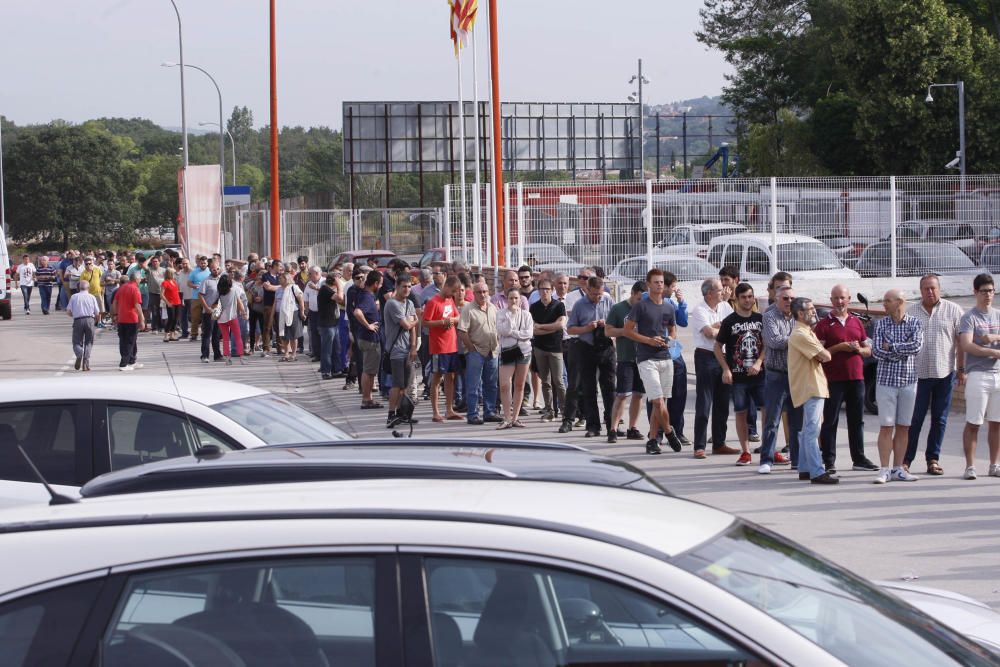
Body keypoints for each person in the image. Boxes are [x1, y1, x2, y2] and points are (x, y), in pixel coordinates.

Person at [905, 274, 965, 475]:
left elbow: (961, 343)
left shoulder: (954, 310)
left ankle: (933, 459)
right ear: (920, 291)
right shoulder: (911, 312)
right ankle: (905, 460)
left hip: (944, 374)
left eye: (933, 288)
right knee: (914, 419)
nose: (930, 292)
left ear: (939, 289)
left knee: (939, 419)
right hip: (917, 375)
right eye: (925, 289)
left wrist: (962, 369)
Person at [814, 284, 878, 474]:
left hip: (856, 378)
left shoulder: (856, 322)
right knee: (830, 421)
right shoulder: (824, 324)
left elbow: (868, 350)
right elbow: (819, 353)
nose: (840, 302)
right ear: (831, 300)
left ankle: (858, 458)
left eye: (843, 298)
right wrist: (840, 347)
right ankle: (828, 460)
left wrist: (858, 350)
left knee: (856, 420)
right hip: (833, 379)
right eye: (836, 298)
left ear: (849, 299)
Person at [625, 269, 685, 455]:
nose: (660, 285)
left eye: (661, 282)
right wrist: (648, 340)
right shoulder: (641, 306)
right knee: (657, 401)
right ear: (649, 284)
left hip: (665, 358)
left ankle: (652, 440)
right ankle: (669, 431)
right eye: (656, 282)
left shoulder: (669, 307)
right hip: (646, 358)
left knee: (662, 402)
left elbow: (673, 329)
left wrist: (669, 340)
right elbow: (628, 331)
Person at [870, 289, 923, 483]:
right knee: (886, 426)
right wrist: (901, 349)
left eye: (887, 301)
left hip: (909, 381)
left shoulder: (915, 323)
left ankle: (898, 468)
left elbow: (916, 347)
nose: (883, 304)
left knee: (903, 427)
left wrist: (891, 346)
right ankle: (884, 469)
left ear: (900, 302)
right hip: (886, 382)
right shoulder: (880, 324)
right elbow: (876, 351)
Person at [788, 297, 839, 484]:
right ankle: (817, 472)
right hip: (810, 386)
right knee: (812, 431)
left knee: (807, 429)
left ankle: (805, 468)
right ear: (800, 314)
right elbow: (825, 356)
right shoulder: (801, 334)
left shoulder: (806, 332)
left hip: (812, 385)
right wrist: (822, 352)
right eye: (810, 309)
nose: (814, 312)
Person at [715, 282, 765, 466]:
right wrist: (726, 369)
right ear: (737, 298)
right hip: (738, 377)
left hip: (760, 376)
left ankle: (768, 447)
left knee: (768, 412)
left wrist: (759, 362)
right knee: (741, 413)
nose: (747, 300)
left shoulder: (760, 319)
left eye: (750, 296)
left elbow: (767, 343)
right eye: (743, 297)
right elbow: (717, 347)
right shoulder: (730, 321)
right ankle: (745, 452)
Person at [958, 273, 1000, 480]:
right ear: (975, 292)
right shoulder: (969, 317)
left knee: (997, 422)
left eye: (991, 291)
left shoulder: (998, 315)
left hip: (998, 375)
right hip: (978, 375)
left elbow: (985, 341)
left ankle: (994, 464)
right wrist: (992, 351)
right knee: (974, 423)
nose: (988, 295)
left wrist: (992, 338)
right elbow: (966, 345)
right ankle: (970, 466)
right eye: (984, 291)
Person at [689, 278, 737, 458]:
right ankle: (699, 446)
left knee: (723, 403)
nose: (723, 291)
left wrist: (719, 327)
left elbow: (733, 328)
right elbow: (709, 334)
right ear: (709, 293)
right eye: (719, 289)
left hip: (724, 357)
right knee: (704, 402)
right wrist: (719, 328)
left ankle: (719, 443)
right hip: (706, 357)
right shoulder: (699, 310)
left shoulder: (725, 307)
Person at [567, 276, 616, 438]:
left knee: (609, 388)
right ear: (587, 290)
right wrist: (587, 328)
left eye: (600, 294)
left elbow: (618, 323)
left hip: (606, 347)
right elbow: (571, 329)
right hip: (587, 347)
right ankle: (593, 425)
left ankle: (612, 425)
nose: (597, 297)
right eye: (594, 294)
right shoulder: (580, 305)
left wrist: (606, 324)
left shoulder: (608, 301)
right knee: (589, 389)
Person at [759, 284, 797, 473]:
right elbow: (774, 342)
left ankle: (797, 460)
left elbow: (810, 334)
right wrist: (799, 340)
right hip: (776, 374)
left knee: (797, 420)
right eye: (785, 299)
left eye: (792, 299)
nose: (789, 302)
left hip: (796, 374)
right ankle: (766, 459)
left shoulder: (798, 315)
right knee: (772, 420)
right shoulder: (769, 316)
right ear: (776, 299)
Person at [607, 281, 647, 444]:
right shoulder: (618, 309)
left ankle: (633, 427)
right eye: (638, 299)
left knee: (639, 394)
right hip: (626, 358)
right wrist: (626, 331)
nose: (641, 303)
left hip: (644, 357)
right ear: (632, 293)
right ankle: (613, 429)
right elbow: (608, 330)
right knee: (622, 394)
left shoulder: (647, 308)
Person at [459, 281, 503, 425]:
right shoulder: (468, 309)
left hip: (492, 351)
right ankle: (472, 414)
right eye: (479, 292)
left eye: (485, 291)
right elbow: (462, 331)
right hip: (476, 352)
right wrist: (471, 348)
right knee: (474, 385)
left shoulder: (492, 308)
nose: (483, 294)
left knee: (491, 384)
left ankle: (489, 412)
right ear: (474, 293)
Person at [423, 276, 464, 422]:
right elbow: (425, 322)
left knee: (451, 377)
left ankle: (449, 409)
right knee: (437, 378)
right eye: (452, 290)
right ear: (446, 286)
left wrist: (452, 320)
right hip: (439, 346)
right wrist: (442, 322)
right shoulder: (433, 302)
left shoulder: (450, 301)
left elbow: (458, 317)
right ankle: (435, 411)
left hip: (451, 345)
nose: (453, 294)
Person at [558, 269, 593, 433]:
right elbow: (572, 321)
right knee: (573, 384)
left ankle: (591, 417)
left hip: (595, 345)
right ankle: (569, 419)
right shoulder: (572, 297)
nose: (582, 280)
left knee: (593, 384)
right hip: (577, 344)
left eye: (586, 277)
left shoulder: (604, 296)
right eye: (580, 277)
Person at [383, 274, 420, 428]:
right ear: (397, 287)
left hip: (407, 350)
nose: (407, 289)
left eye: (409, 286)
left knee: (405, 385)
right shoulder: (392, 304)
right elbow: (406, 324)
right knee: (397, 385)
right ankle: (391, 414)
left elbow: (412, 328)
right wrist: (416, 320)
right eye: (404, 286)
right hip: (396, 351)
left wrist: (413, 347)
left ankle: (402, 413)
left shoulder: (409, 303)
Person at [529, 278, 567, 424]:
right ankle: (549, 410)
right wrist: (549, 327)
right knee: (545, 381)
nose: (544, 292)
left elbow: (560, 325)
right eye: (542, 289)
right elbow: (533, 329)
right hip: (539, 348)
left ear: (552, 290)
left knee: (558, 381)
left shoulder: (559, 306)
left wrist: (542, 327)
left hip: (556, 348)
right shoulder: (534, 307)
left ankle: (564, 411)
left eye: (547, 289)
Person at [497, 287, 534, 429]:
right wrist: (511, 316)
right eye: (511, 298)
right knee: (505, 385)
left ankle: (515, 417)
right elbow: (503, 331)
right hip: (507, 351)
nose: (513, 301)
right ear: (507, 299)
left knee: (519, 385)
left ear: (520, 300)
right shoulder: (501, 313)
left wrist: (514, 333)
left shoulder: (526, 315)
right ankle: (506, 417)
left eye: (516, 298)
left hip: (524, 352)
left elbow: (528, 334)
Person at [353, 270, 384, 409]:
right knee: (368, 370)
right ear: (376, 283)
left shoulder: (367, 295)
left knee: (370, 370)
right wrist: (369, 326)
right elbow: (357, 312)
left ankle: (369, 398)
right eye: (381, 283)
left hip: (367, 338)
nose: (382, 286)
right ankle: (366, 399)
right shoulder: (366, 297)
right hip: (369, 338)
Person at [112, 272, 144, 371]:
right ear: (136, 279)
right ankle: (123, 363)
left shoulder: (121, 288)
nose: (140, 281)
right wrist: (142, 319)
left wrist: (115, 315)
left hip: (122, 318)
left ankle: (132, 360)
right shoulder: (135, 289)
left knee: (127, 340)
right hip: (131, 318)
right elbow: (137, 305)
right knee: (129, 341)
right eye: (140, 279)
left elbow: (114, 302)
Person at [66, 279, 100, 371]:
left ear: (78, 288)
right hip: (90, 320)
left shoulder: (74, 297)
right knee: (89, 342)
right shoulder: (92, 297)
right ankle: (85, 363)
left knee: (76, 342)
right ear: (88, 288)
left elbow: (68, 311)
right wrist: (98, 321)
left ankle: (79, 353)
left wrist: (75, 315)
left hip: (78, 320)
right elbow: (97, 313)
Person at [216, 274, 247, 365]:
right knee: (238, 337)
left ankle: (227, 358)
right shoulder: (233, 291)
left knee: (225, 338)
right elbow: (240, 302)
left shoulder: (219, 293)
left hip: (221, 319)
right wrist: (244, 313)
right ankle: (241, 357)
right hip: (232, 317)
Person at [318, 274, 344, 380]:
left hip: (334, 323)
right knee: (327, 349)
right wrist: (339, 285)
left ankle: (336, 370)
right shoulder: (325, 289)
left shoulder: (329, 290)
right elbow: (340, 298)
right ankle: (326, 371)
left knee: (336, 348)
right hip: (327, 324)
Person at [276, 271, 306, 362]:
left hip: (294, 313)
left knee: (293, 335)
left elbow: (301, 300)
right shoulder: (279, 289)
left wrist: (302, 312)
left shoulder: (294, 287)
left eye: (281, 278)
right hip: (282, 314)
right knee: (284, 335)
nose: (279, 280)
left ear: (286, 279)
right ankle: (286, 353)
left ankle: (293, 354)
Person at [198, 261, 224, 363]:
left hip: (219, 312)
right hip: (209, 312)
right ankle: (204, 355)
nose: (216, 271)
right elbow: (200, 295)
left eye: (217, 269)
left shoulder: (221, 280)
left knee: (217, 335)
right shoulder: (206, 281)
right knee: (207, 334)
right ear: (210, 269)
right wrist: (206, 307)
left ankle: (217, 355)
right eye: (214, 269)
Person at [259, 260, 281, 356]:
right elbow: (268, 288)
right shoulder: (265, 276)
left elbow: (286, 286)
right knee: (267, 327)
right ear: (274, 266)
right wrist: (280, 286)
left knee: (279, 327)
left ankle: (281, 348)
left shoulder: (280, 276)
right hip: (269, 305)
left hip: (279, 305)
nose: (281, 268)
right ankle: (266, 348)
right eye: (280, 266)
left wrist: (274, 286)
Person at [187, 256, 209, 342]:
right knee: (195, 317)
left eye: (204, 263)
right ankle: (194, 334)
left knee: (206, 317)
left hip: (207, 297)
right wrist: (193, 286)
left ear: (207, 263)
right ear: (199, 263)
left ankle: (205, 333)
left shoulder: (210, 271)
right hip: (196, 297)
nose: (203, 264)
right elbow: (188, 283)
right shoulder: (194, 272)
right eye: (201, 263)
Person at [127, 253, 150, 332]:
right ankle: (137, 325)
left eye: (143, 263)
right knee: (137, 309)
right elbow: (128, 279)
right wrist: (141, 280)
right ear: (138, 262)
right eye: (140, 263)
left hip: (145, 290)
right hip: (136, 291)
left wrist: (146, 271)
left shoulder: (146, 269)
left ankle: (145, 325)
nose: (142, 265)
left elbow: (151, 277)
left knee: (145, 309)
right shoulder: (133, 269)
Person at [79, 256, 105, 328]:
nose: (88, 265)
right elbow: (81, 284)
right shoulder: (83, 273)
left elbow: (102, 278)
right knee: (91, 309)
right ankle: (94, 321)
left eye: (89, 264)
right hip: (88, 294)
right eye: (86, 264)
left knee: (100, 308)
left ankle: (99, 321)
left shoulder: (97, 269)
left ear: (92, 263)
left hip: (98, 292)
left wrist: (103, 288)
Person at [304, 266, 323, 361]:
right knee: (314, 333)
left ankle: (323, 355)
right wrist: (307, 310)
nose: (308, 275)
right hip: (313, 312)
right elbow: (306, 298)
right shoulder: (309, 284)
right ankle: (317, 354)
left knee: (323, 334)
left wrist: (316, 288)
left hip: (323, 313)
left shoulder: (324, 282)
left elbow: (329, 293)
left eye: (310, 274)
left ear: (316, 273)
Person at [160, 268, 182, 342]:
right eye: (173, 273)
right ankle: (166, 335)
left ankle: (172, 335)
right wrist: (167, 302)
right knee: (171, 319)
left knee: (176, 319)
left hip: (177, 302)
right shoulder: (165, 283)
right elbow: (162, 295)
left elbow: (177, 292)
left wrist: (181, 300)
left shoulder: (174, 282)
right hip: (170, 303)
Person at [147, 256, 165, 333]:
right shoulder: (150, 270)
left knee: (162, 311)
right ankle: (154, 328)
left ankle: (162, 326)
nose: (155, 263)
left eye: (156, 261)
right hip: (153, 293)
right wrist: (150, 257)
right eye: (153, 261)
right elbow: (144, 265)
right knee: (154, 311)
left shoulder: (164, 270)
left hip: (162, 293)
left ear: (159, 262)